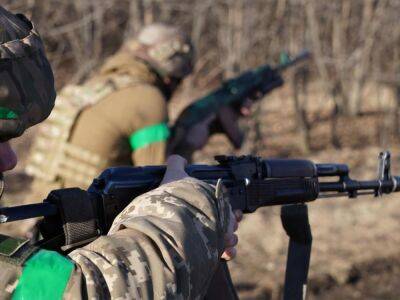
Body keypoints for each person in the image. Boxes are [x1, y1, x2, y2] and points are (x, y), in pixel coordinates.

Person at [0, 7, 241, 299]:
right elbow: (158, 178)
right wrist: (193, 209)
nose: (11, 160)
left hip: (44, 219)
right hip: (77, 226)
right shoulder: (148, 99)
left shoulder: (95, 87)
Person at [25, 23, 195, 189]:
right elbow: (160, 187)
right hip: (86, 213)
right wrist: (187, 145)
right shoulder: (149, 99)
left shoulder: (96, 84)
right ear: (170, 76)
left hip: (42, 207)